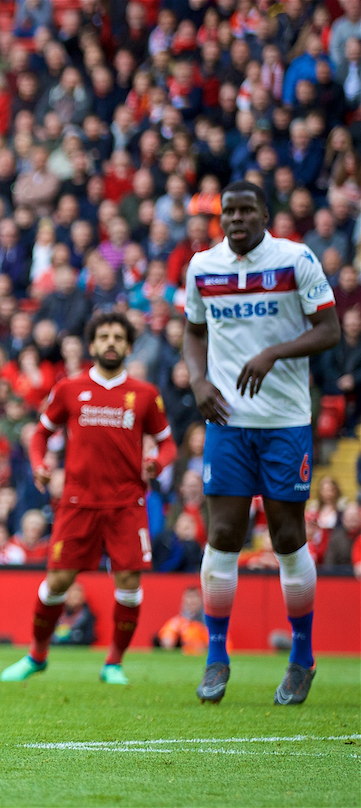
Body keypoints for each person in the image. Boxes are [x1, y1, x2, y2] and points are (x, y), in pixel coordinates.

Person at [183, 180, 340, 706]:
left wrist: (275, 351)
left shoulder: (295, 259)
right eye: (229, 212)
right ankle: (216, 655)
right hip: (227, 419)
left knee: (287, 536)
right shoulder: (203, 267)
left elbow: (330, 330)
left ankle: (301, 657)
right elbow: (193, 331)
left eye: (246, 211)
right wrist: (199, 381)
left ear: (264, 214)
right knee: (223, 532)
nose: (236, 220)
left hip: (284, 419)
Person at [1, 310, 177, 686]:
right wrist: (38, 464)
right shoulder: (69, 388)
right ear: (92, 345)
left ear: (129, 347)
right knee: (58, 581)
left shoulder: (145, 395)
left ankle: (113, 663)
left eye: (118, 337)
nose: (111, 343)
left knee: (129, 582)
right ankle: (37, 655)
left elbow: (167, 445)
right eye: (104, 337)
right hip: (78, 503)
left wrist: (156, 464)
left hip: (127, 504)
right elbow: (39, 435)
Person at [155, 587, 210, 654]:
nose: (192, 600)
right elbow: (168, 635)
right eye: (189, 597)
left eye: (194, 597)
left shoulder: (209, 620)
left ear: (200, 600)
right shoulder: (178, 622)